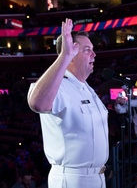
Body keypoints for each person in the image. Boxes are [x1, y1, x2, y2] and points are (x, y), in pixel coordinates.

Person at [27, 18, 109, 188]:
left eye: (93, 50)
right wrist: (64, 56)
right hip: (72, 180)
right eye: (87, 50)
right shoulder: (59, 86)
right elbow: (38, 103)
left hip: (98, 178)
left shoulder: (87, 88)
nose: (94, 54)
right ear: (70, 54)